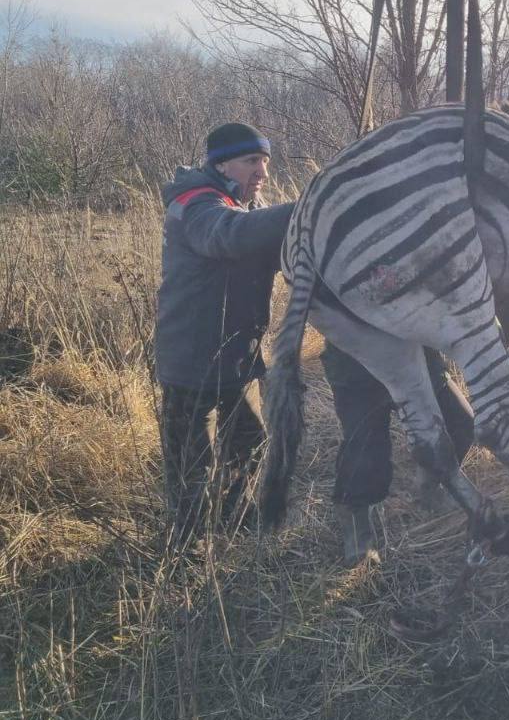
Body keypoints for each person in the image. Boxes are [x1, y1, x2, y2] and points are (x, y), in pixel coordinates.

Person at [156, 122, 295, 544]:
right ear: (221, 164)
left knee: (250, 443)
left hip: (237, 358)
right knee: (192, 466)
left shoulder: (244, 208)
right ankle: (188, 549)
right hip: (192, 363)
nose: (263, 173)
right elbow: (227, 236)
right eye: (252, 161)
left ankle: (231, 523)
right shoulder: (194, 203)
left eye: (266, 162)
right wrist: (308, 208)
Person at [321, 342, 475, 565]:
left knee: (461, 422)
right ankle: (355, 518)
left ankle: (430, 484)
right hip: (357, 364)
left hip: (415, 355)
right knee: (366, 448)